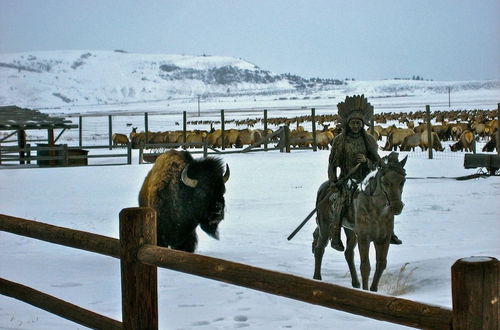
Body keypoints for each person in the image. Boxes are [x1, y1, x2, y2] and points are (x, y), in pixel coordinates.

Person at [327, 95, 402, 251]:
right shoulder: (340, 141)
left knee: (385, 197)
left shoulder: (368, 139)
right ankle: (335, 236)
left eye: (358, 123)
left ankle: (390, 232)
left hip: (367, 178)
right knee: (340, 201)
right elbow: (332, 165)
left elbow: (378, 163)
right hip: (347, 179)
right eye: (353, 123)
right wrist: (333, 182)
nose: (355, 126)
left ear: (363, 124)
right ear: (347, 124)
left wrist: (366, 161)